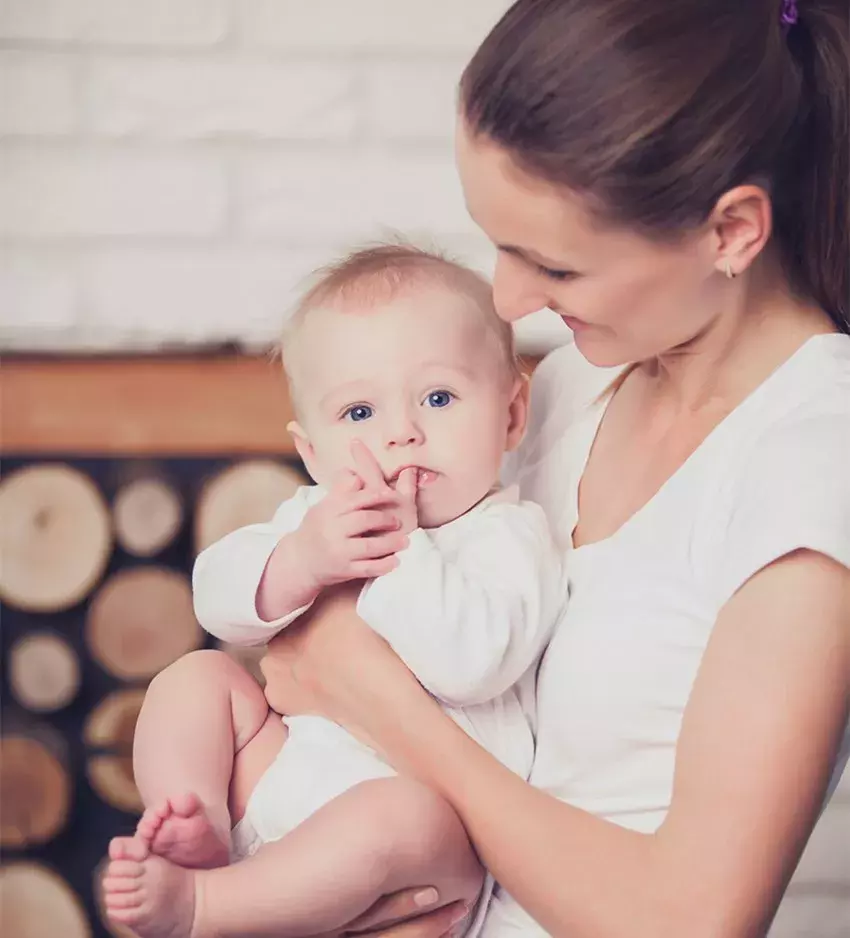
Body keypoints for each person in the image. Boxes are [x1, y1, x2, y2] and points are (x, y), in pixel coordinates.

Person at [105, 0, 849, 935]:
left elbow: (692, 918)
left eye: (556, 268)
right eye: (493, 241)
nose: (506, 298)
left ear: (732, 232)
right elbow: (294, 642)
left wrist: (365, 691)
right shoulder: (579, 381)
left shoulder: (814, 467)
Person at [102, 244, 565, 938]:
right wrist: (299, 560)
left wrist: (402, 551)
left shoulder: (508, 539)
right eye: (358, 414)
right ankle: (192, 819)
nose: (402, 433)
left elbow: (473, 664)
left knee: (397, 817)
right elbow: (213, 595)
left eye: (438, 398)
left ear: (510, 414)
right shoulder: (320, 520)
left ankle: (205, 910)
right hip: (283, 780)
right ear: (312, 452)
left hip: (425, 843)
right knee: (196, 677)